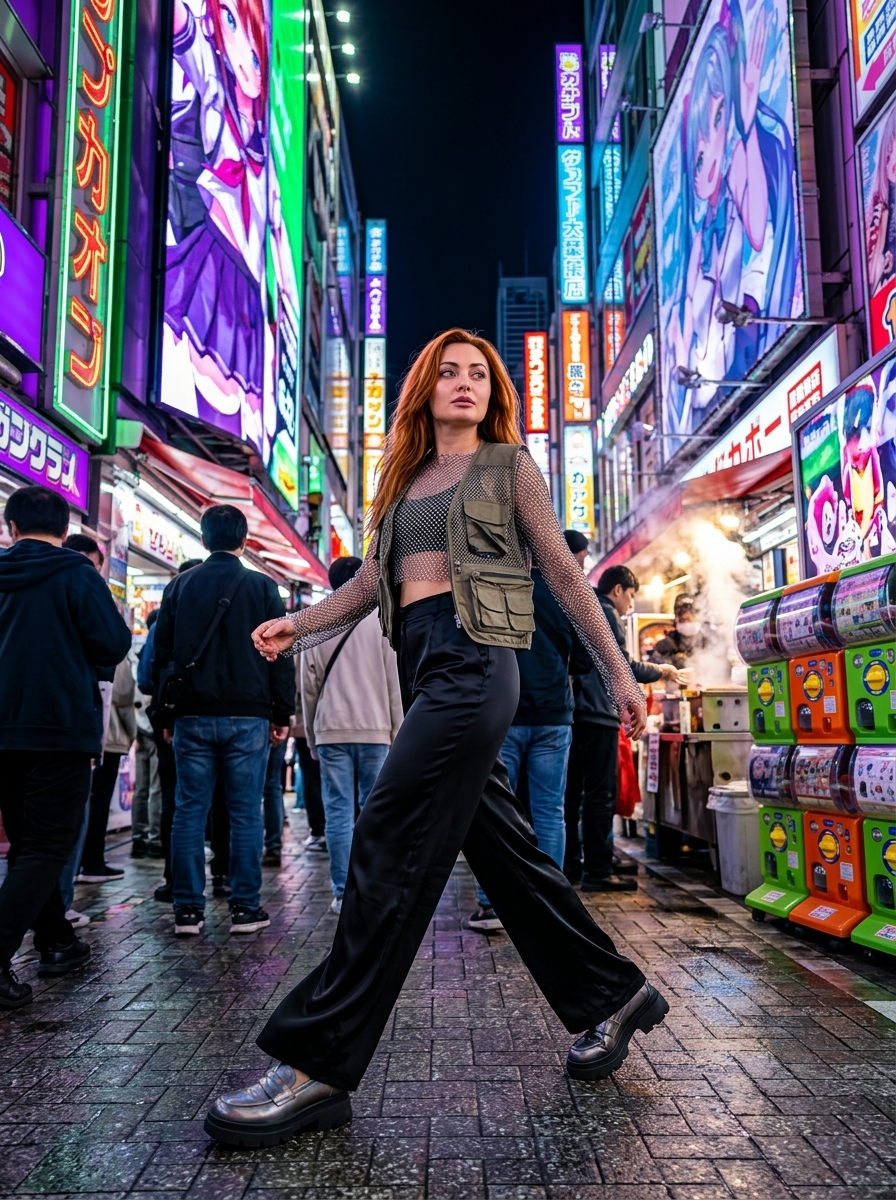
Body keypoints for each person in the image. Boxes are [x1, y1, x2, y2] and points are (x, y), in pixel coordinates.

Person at [204, 329, 666, 1147]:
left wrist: (619, 673)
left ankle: (317, 1061)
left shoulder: (507, 467)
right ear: (425, 387)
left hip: (479, 664)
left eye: (478, 375)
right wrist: (296, 626)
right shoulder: (403, 483)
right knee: (507, 856)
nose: (464, 384)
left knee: (387, 837)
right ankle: (612, 995)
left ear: (494, 392)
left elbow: (562, 572)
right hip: (427, 670)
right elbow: (364, 593)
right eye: (449, 372)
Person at [0, 486, 131, 1009]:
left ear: (11, 528)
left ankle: (57, 941)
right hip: (58, 729)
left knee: (28, 845)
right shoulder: (77, 574)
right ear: (63, 528)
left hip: (4, 730)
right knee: (46, 848)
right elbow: (114, 645)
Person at [153, 505, 293, 936]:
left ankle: (187, 911)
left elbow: (163, 656)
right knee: (245, 812)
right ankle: (245, 908)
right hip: (248, 715)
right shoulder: (262, 586)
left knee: (188, 812)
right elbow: (279, 650)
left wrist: (166, 713)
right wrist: (281, 710)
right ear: (244, 540)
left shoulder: (179, 587)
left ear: (203, 538)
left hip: (192, 715)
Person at [467, 563, 587, 932]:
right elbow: (584, 661)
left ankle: (492, 906)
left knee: (496, 812)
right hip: (553, 715)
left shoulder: (491, 584)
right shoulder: (565, 593)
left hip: (505, 712)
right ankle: (552, 904)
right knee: (550, 810)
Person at [564, 560, 684, 892]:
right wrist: (663, 671)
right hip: (596, 713)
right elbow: (621, 665)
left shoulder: (579, 607)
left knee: (571, 796)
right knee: (600, 795)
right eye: (630, 595)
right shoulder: (605, 611)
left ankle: (571, 867)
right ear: (618, 590)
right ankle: (598, 873)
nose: (630, 603)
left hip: (574, 713)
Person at [300, 556, 403, 914]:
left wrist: (313, 738)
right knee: (377, 812)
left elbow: (308, 689)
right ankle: (374, 888)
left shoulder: (316, 624)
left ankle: (343, 892)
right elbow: (395, 683)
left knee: (338, 811)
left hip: (331, 731)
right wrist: (396, 732)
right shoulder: (380, 621)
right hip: (376, 730)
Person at [141, 559, 203, 903]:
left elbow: (148, 675)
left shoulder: (170, 612)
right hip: (229, 716)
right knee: (229, 804)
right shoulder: (243, 597)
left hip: (174, 718)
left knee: (180, 804)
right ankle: (231, 886)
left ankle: (180, 888)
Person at [76, 656, 137, 882]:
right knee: (98, 802)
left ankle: (82, 862)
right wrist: (132, 732)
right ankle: (92, 861)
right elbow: (123, 697)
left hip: (88, 734)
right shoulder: (112, 651)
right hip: (108, 736)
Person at [650, 593, 701, 670]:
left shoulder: (709, 641)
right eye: (682, 620)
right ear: (676, 619)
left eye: (689, 619)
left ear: (697, 616)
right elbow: (656, 672)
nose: (684, 617)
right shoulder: (665, 645)